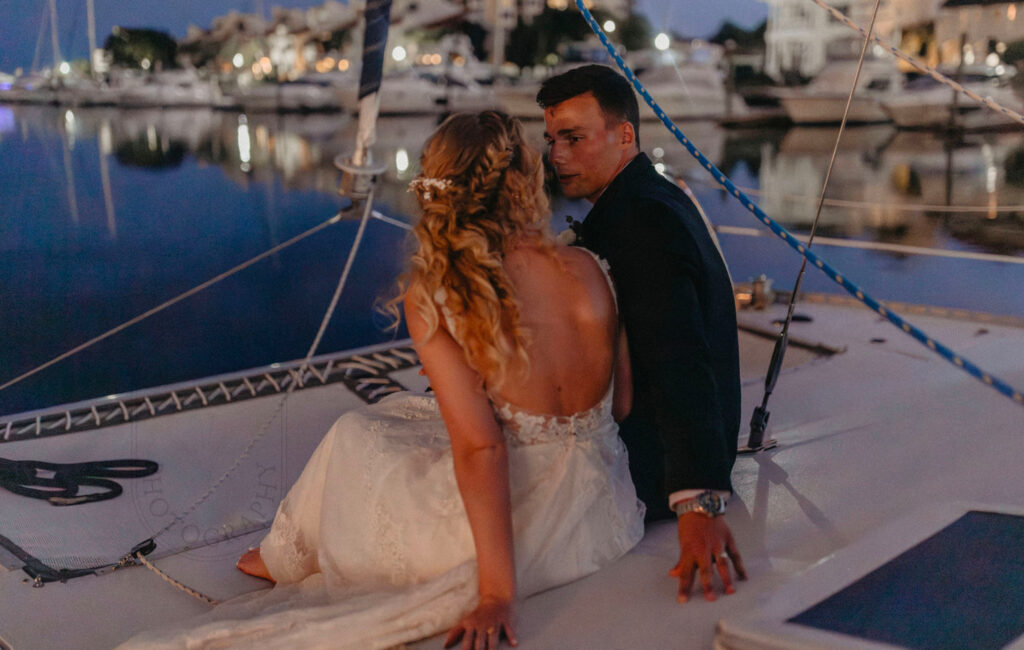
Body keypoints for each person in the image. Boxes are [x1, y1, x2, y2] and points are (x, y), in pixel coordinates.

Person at [120, 111, 643, 650]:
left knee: (357, 432)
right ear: (526, 178)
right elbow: (620, 403)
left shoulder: (444, 290)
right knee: (401, 412)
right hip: (601, 513)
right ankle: (289, 553)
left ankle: (286, 556)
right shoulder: (589, 266)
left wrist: (495, 593)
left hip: (515, 533)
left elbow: (484, 448)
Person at [537, 64, 747, 604]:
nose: (556, 155)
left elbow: (680, 357)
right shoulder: (645, 199)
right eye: (552, 139)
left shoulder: (641, 222)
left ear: (624, 134)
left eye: (573, 138)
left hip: (651, 465)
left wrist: (698, 502)